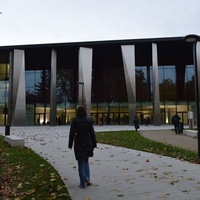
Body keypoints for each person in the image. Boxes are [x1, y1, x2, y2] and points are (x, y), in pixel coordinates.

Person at [68, 105, 97, 188]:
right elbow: (92, 133)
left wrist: (70, 144)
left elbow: (72, 133)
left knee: (81, 162)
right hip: (87, 142)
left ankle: (82, 182)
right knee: (86, 161)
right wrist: (94, 143)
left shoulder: (75, 120)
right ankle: (87, 179)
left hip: (79, 142)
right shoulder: (88, 120)